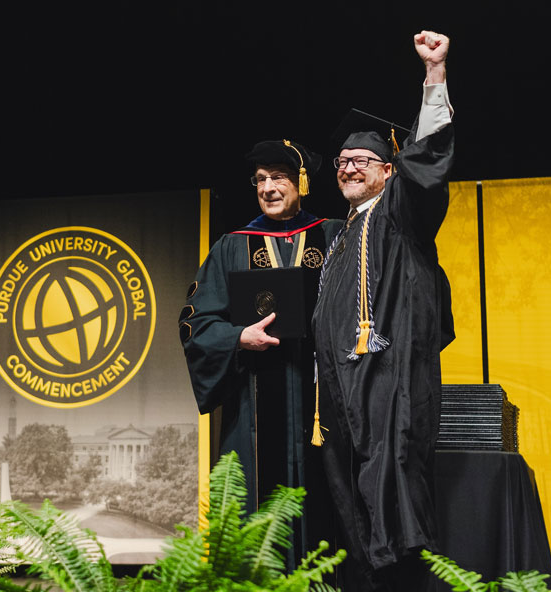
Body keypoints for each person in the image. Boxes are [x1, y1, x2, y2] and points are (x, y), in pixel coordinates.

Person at [312, 30, 455, 591]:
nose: (348, 167)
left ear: (389, 169)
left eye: (363, 159)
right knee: (353, 505)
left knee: (392, 494)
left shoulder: (400, 211)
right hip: (344, 392)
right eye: (343, 161)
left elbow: (428, 161)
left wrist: (434, 76)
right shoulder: (341, 234)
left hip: (389, 384)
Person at [179, 139, 342, 566]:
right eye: (260, 180)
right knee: (255, 530)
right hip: (253, 406)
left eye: (279, 178)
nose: (268, 188)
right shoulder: (232, 246)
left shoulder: (335, 235)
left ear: (301, 183)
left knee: (328, 521)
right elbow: (195, 324)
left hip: (326, 410)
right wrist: (237, 338)